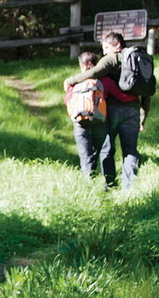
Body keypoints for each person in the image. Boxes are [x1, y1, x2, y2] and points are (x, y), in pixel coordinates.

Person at [63, 32, 151, 190]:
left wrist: (71, 80)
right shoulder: (138, 60)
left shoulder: (113, 58)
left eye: (106, 47)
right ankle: (129, 188)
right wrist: (143, 117)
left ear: (117, 45)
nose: (104, 52)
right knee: (130, 150)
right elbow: (146, 90)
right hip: (133, 110)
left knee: (107, 147)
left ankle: (109, 184)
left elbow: (94, 72)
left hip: (112, 110)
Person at [65, 51, 109, 181]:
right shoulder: (104, 80)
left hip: (80, 122)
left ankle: (88, 181)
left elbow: (67, 100)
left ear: (81, 64)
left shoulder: (74, 82)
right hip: (99, 121)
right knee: (100, 151)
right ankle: (104, 179)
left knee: (85, 154)